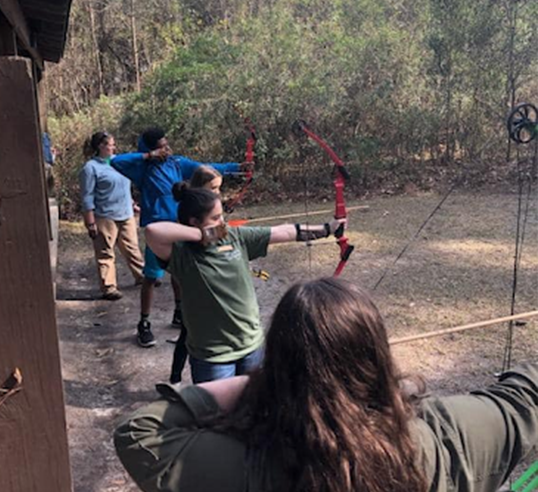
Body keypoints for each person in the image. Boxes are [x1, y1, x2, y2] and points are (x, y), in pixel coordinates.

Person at [114, 278, 538, 492]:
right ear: (375, 356)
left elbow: (139, 432)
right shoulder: (446, 434)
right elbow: (524, 396)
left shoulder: (243, 466)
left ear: (277, 364)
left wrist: (260, 381)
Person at [145, 184, 346, 383]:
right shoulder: (182, 253)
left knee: (255, 408)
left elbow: (282, 232)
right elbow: (153, 231)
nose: (222, 222)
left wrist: (328, 229)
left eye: (222, 215)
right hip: (213, 357)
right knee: (219, 415)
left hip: (252, 345)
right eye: (215, 218)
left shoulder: (234, 236)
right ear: (194, 221)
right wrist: (202, 235)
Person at [111, 127, 246, 348]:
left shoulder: (176, 163)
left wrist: (237, 168)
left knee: (180, 272)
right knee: (152, 277)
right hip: (157, 230)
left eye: (166, 144)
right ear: (151, 149)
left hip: (179, 227)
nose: (166, 148)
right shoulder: (141, 169)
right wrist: (148, 156)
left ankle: (179, 312)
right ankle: (144, 323)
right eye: (161, 146)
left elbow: (205, 169)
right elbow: (117, 162)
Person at [79, 132, 144, 300]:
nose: (113, 147)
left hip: (125, 214)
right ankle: (109, 287)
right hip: (104, 216)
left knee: (132, 247)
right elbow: (87, 195)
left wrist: (132, 203)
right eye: (110, 144)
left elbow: (124, 185)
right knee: (105, 252)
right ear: (101, 146)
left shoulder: (119, 163)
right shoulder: (90, 168)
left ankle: (142, 276)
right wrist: (90, 221)